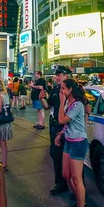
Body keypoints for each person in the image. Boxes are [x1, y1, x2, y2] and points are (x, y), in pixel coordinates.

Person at [56, 79, 88, 207]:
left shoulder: (78, 105)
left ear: (70, 90)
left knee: (76, 178)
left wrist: (61, 101)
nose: (61, 91)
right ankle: (81, 201)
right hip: (69, 141)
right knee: (66, 174)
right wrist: (61, 134)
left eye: (63, 88)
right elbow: (67, 123)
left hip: (78, 143)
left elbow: (62, 120)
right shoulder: (70, 104)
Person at [39, 67, 69, 195]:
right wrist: (42, 98)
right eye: (56, 75)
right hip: (54, 127)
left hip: (66, 128)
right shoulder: (56, 90)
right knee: (56, 155)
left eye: (60, 75)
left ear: (66, 76)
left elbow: (84, 106)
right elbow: (48, 106)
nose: (57, 77)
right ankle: (60, 184)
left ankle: (75, 189)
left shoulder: (72, 89)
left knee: (70, 159)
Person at [0, 80, 13, 171]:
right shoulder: (6, 95)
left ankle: (4, 163)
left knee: (2, 143)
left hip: (1, 123)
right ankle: (3, 161)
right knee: (3, 143)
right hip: (6, 122)